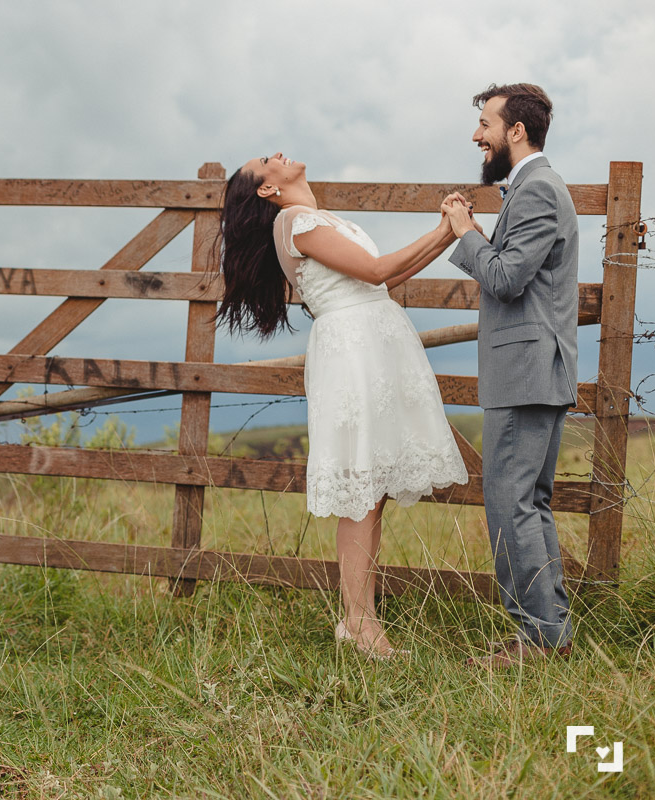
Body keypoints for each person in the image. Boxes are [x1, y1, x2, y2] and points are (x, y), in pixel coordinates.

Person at [218, 152, 469, 660]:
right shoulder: (294, 221)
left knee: (372, 487)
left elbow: (382, 280)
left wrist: (448, 232)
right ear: (267, 190)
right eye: (268, 160)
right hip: (352, 347)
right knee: (361, 485)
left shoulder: (320, 219)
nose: (280, 154)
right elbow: (378, 268)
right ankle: (358, 622)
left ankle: (361, 619)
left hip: (375, 337)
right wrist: (447, 228)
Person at [442, 83, 578, 667]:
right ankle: (548, 634)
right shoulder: (528, 188)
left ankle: (538, 640)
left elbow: (503, 279)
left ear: (515, 131)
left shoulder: (538, 191)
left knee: (509, 502)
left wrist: (462, 230)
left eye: (485, 124)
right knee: (530, 502)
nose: (477, 136)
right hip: (531, 370)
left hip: (526, 371)